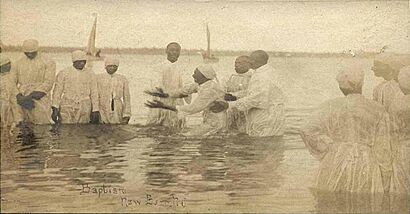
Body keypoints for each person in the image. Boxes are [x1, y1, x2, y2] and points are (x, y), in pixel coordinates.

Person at [300, 66, 401, 193]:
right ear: (362, 84)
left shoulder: (329, 106)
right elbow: (383, 147)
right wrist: (385, 178)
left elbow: (306, 129)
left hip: (335, 159)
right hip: (366, 162)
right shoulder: (378, 109)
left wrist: (326, 146)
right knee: (364, 203)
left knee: (331, 202)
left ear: (340, 87)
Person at [145, 65, 227, 136]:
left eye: (195, 73)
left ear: (204, 76)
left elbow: (193, 108)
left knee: (185, 137)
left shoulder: (209, 90)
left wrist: (165, 106)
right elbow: (184, 90)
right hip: (210, 120)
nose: (193, 75)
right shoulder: (201, 84)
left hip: (216, 123)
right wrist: (164, 94)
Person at [225, 50, 285, 137]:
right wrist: (235, 96)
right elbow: (254, 91)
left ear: (257, 61)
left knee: (262, 144)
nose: (249, 62)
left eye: (251, 59)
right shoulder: (265, 72)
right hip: (268, 115)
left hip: (266, 118)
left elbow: (257, 98)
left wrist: (230, 104)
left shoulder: (263, 76)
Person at [146, 42, 191, 129]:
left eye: (177, 50)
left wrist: (185, 92)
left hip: (177, 101)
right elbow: (156, 85)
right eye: (172, 50)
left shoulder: (184, 68)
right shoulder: (158, 67)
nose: (174, 52)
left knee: (176, 128)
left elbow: (187, 85)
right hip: (161, 101)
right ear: (166, 51)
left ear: (179, 53)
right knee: (156, 127)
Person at [51, 50, 100, 124]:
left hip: (85, 106)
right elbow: (57, 91)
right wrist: (55, 107)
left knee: (83, 129)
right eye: (79, 61)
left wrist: (95, 110)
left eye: (84, 61)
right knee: (66, 129)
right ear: (74, 62)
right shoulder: (64, 73)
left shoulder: (90, 73)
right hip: (67, 105)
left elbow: (94, 92)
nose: (82, 63)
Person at [14, 39, 56, 124]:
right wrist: (20, 97)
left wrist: (29, 97)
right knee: (23, 125)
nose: (29, 54)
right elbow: (13, 83)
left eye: (32, 52)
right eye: (27, 52)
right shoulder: (18, 63)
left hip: (40, 97)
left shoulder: (48, 61)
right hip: (22, 97)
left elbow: (48, 83)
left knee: (41, 125)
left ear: (37, 50)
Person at [97, 58, 131, 124]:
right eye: (110, 66)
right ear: (105, 67)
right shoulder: (99, 78)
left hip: (117, 106)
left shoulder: (122, 79)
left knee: (117, 125)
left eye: (114, 66)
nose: (112, 68)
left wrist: (127, 114)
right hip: (102, 106)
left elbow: (126, 97)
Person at [225, 55, 252, 133]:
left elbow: (251, 92)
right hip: (231, 108)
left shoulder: (253, 77)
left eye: (239, 63)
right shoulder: (231, 76)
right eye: (235, 63)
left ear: (248, 64)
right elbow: (223, 88)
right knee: (231, 129)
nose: (236, 65)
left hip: (246, 108)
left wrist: (235, 96)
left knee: (245, 129)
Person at [0, 57, 21, 127]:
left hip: (11, 105)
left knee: (11, 123)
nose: (9, 66)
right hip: (3, 104)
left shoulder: (10, 77)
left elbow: (14, 91)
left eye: (9, 63)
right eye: (6, 64)